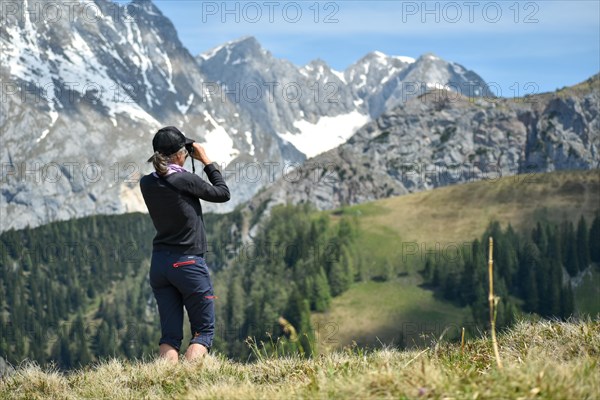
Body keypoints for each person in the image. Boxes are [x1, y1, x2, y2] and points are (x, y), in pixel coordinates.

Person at [140, 126, 230, 362]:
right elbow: (222, 193)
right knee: (203, 332)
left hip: (160, 264)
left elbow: (165, 175)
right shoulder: (183, 179)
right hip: (188, 262)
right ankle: (189, 388)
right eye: (186, 151)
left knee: (170, 336)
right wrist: (206, 161)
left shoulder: (146, 183)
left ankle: (164, 386)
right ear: (180, 154)